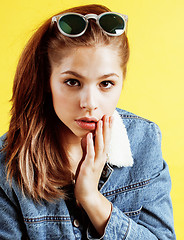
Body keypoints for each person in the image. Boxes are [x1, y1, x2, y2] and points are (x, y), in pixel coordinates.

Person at [0, 4, 176, 240]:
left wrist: (92, 199)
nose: (90, 103)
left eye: (106, 84)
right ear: (47, 81)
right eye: (73, 82)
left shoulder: (144, 141)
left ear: (122, 81)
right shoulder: (8, 163)